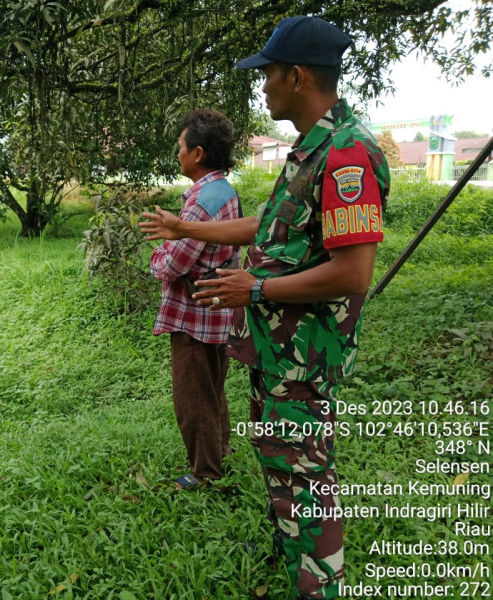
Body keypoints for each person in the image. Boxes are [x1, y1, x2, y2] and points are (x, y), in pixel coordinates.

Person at [140, 16, 389, 600]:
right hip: (277, 346)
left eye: (269, 74)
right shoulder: (309, 150)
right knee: (278, 452)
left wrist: (253, 288)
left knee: (306, 470)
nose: (264, 86)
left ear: (297, 76)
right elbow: (271, 224)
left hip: (303, 350)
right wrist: (182, 224)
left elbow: (353, 273)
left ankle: (320, 583)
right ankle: (289, 545)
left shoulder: (347, 155)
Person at [150, 109, 242, 490]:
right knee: (212, 388)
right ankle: (220, 452)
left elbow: (171, 263)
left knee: (193, 397)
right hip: (215, 310)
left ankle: (204, 473)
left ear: (198, 153)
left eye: (181, 147)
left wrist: (158, 254)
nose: (178, 154)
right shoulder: (225, 191)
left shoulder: (203, 201)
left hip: (193, 314)